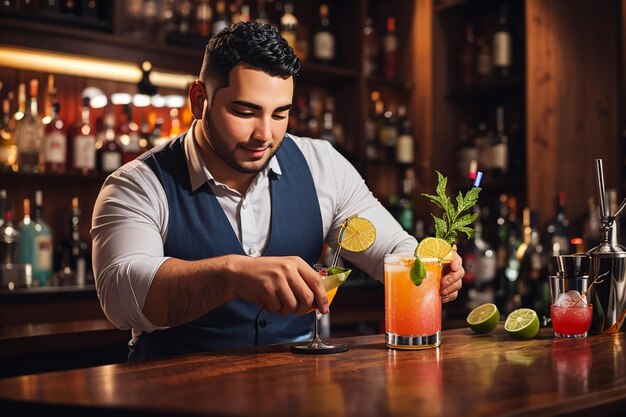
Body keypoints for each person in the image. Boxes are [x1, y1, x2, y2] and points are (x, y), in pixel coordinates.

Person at [91, 21, 465, 361]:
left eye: (279, 114)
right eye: (245, 111)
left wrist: (432, 267)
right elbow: (122, 298)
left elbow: (393, 251)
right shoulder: (136, 184)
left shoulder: (323, 166)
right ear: (199, 100)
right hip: (169, 393)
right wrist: (235, 273)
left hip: (296, 393)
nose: (264, 134)